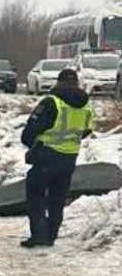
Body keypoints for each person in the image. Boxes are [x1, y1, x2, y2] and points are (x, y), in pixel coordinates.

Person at [20, 68, 92, 248]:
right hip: (69, 159)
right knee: (57, 198)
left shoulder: (52, 102)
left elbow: (30, 131)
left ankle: (39, 234)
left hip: (47, 155)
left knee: (35, 194)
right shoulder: (85, 105)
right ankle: (52, 234)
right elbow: (87, 130)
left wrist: (33, 145)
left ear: (58, 82)